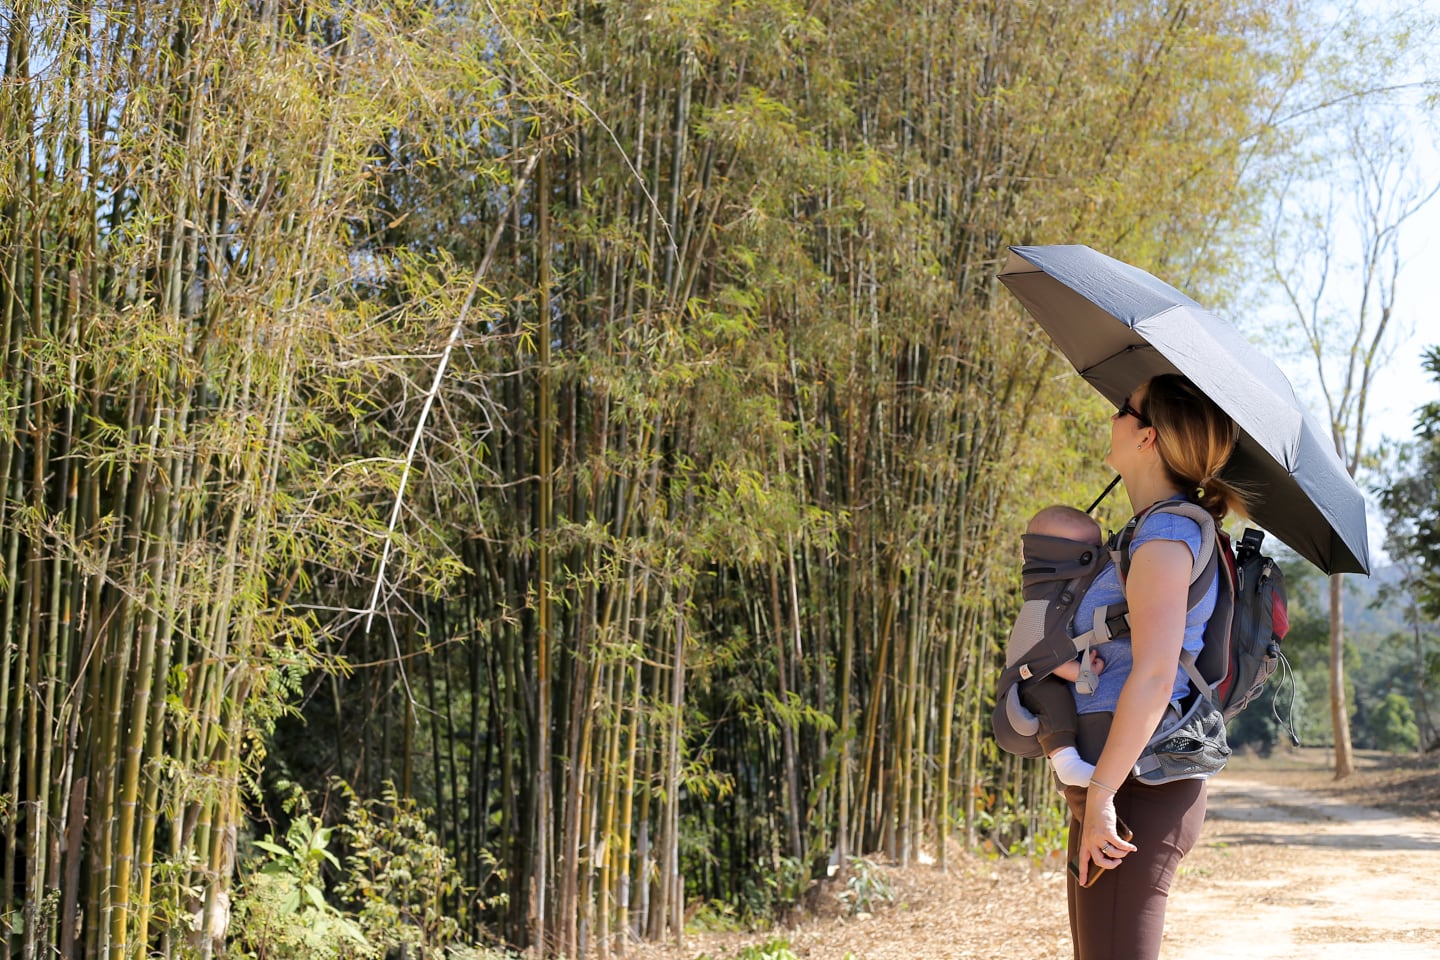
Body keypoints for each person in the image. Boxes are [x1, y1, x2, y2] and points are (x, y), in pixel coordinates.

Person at [1065, 373, 1248, 960]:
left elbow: (1153, 676)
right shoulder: (1149, 529)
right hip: (1121, 781)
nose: (1113, 415)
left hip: (1138, 787)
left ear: (1148, 438)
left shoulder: (1167, 534)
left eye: (1125, 408)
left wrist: (1101, 795)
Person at [1015, 505, 1107, 788]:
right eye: (1089, 550)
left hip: (1063, 670)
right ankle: (1065, 761)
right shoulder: (1042, 594)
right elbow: (1037, 648)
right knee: (1051, 699)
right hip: (1035, 679)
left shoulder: (1065, 584)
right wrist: (1076, 671)